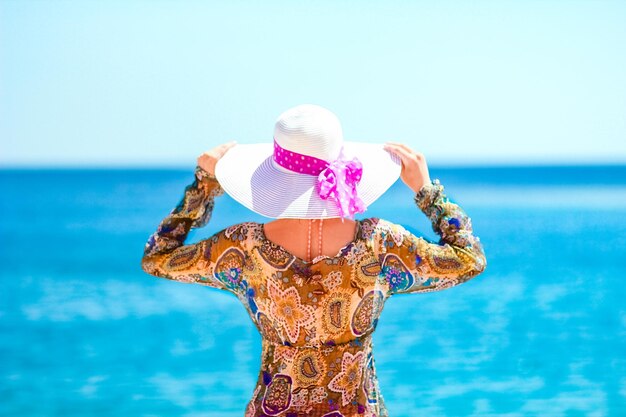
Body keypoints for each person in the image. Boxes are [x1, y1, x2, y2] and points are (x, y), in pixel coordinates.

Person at [141, 104, 487, 417]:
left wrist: (203, 186)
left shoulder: (243, 248)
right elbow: (468, 258)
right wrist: (427, 192)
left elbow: (158, 257)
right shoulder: (380, 244)